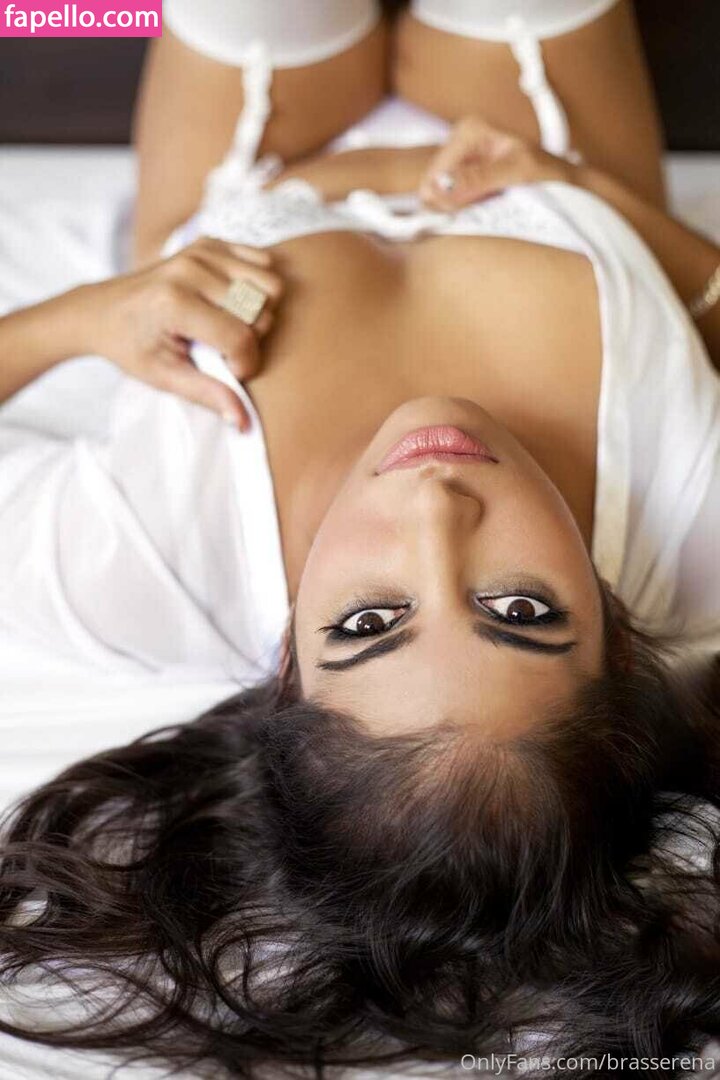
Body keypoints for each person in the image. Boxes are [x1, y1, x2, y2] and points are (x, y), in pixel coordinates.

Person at [0, 1, 719, 1075]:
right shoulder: (698, 540)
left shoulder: (154, 567)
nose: (436, 509)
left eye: (370, 622)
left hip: (257, 142)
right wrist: (598, 200)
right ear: (619, 634)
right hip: (534, 127)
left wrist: (83, 319)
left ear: (284, 666)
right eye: (521, 610)